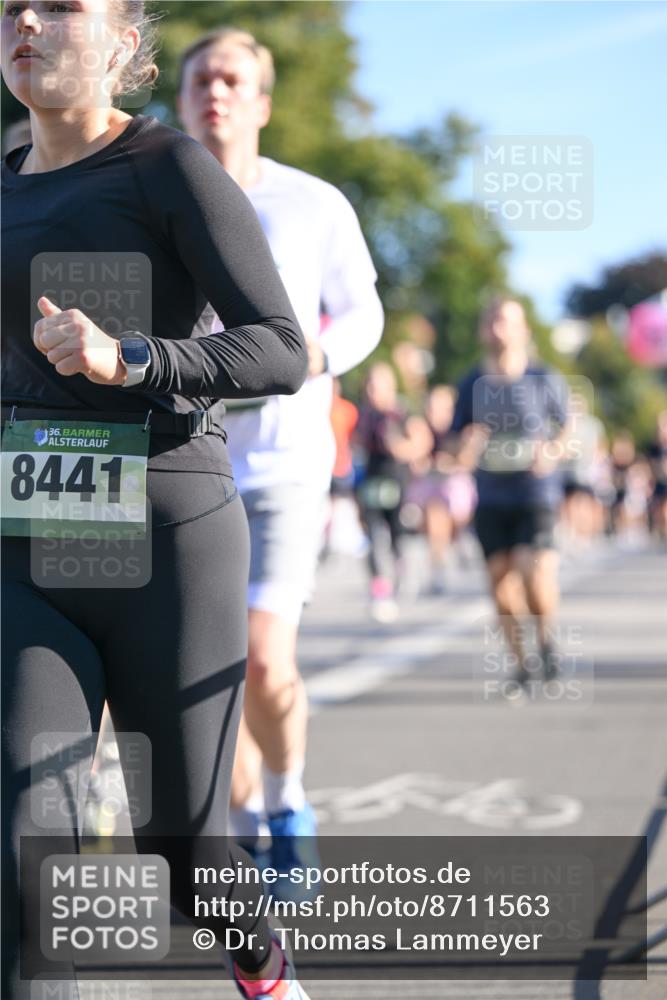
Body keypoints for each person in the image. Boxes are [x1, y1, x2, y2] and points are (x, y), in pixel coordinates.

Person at [1, 4, 312, 999]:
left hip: (166, 530)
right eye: (13, 8)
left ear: (126, 47)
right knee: (24, 830)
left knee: (184, 851)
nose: (29, 22)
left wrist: (128, 355)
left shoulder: (168, 167)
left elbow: (278, 349)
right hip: (30, 538)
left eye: (61, 7)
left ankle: (261, 963)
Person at [177, 28, 383, 877]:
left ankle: (288, 797)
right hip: (187, 457)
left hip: (284, 464)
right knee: (209, 667)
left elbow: (363, 314)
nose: (215, 93)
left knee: (264, 659)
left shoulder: (314, 204)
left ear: (260, 103)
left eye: (232, 80)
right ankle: (245, 834)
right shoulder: (152, 195)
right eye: (200, 81)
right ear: (180, 98)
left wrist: (311, 360)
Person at [450, 296, 569, 689]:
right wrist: (464, 447)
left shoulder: (543, 379)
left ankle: (548, 639)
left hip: (536, 493)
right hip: (491, 497)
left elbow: (570, 432)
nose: (498, 327)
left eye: (506, 320)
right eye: (492, 320)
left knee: (532, 571)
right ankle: (522, 665)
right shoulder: (470, 384)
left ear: (523, 330)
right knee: (500, 586)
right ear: (484, 330)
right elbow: (454, 443)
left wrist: (551, 451)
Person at [355, 362, 432, 622]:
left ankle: (403, 578)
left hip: (397, 484)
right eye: (370, 385)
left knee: (398, 537)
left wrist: (401, 448)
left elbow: (422, 442)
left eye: (379, 386)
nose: (373, 391)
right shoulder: (364, 414)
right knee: (374, 538)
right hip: (371, 483)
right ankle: (380, 591)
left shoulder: (402, 413)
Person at [407, 384, 476, 593]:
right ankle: (438, 565)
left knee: (449, 507)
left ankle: (458, 539)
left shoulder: (459, 430)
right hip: (429, 487)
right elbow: (415, 461)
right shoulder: (420, 428)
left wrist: (450, 464)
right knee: (435, 514)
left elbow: (468, 461)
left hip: (455, 485)